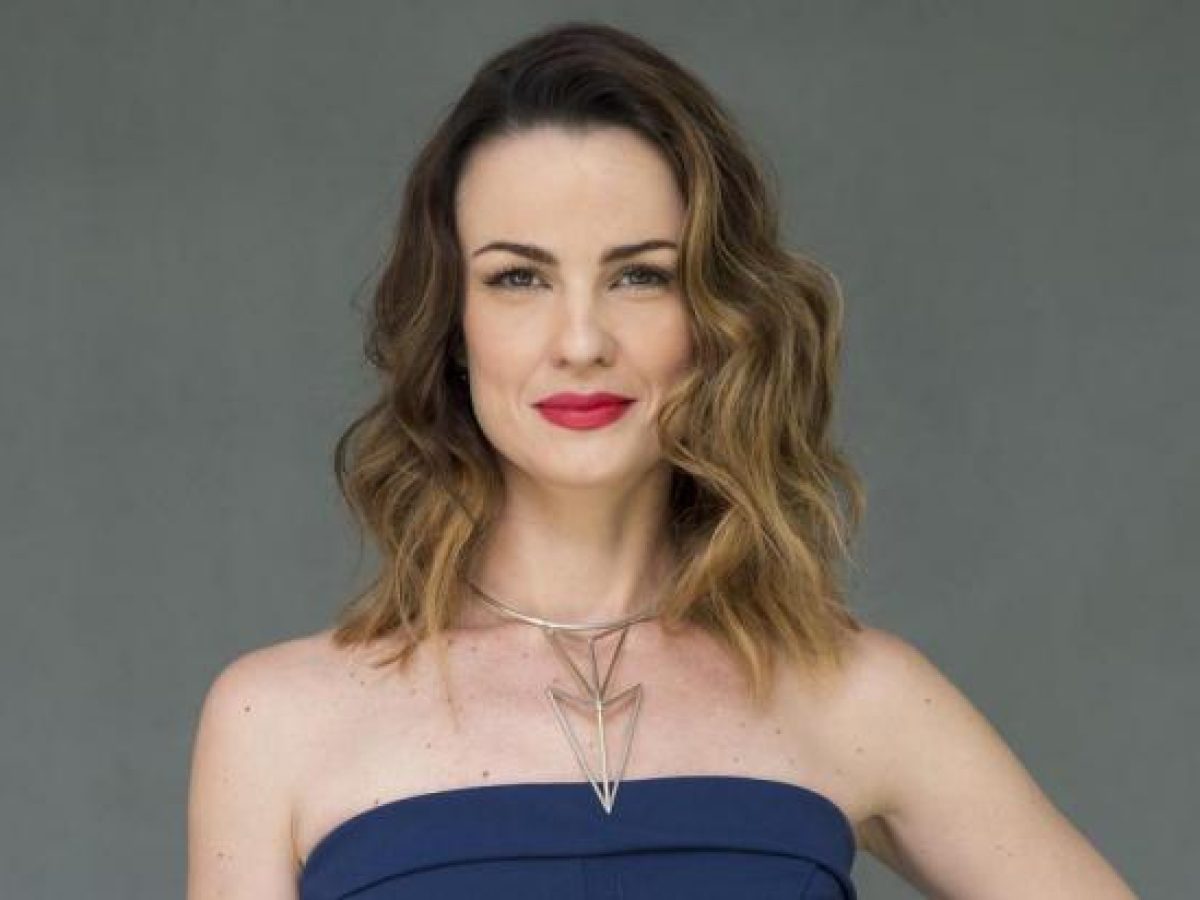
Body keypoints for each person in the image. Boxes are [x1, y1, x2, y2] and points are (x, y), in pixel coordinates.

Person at [187, 21, 1138, 900]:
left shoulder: (854, 695)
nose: (581, 341)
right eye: (519, 278)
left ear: (717, 318)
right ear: (453, 326)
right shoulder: (277, 723)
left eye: (640, 275)